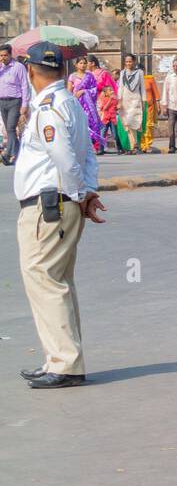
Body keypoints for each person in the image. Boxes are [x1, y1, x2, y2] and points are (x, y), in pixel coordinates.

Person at [14, 41, 106, 388]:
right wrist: (88, 192)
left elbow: (66, 159)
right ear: (63, 71)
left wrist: (81, 194)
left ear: (31, 71)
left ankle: (65, 363)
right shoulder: (69, 103)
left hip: (48, 205)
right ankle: (61, 357)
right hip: (62, 202)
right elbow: (88, 155)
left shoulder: (49, 107)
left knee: (45, 280)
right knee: (58, 281)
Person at [67, 55, 105, 154]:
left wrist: (84, 91)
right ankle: (78, 146)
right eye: (81, 63)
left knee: (88, 124)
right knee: (77, 124)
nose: (83, 65)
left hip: (88, 106)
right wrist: (74, 97)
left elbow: (95, 90)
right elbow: (68, 92)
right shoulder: (72, 76)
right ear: (76, 65)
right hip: (76, 104)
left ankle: (90, 146)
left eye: (85, 63)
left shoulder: (90, 76)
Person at [0, 42, 30, 165]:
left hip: (15, 101)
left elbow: (24, 86)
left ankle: (8, 154)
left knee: (11, 128)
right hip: (2, 101)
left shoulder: (18, 67)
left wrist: (25, 104)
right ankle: (19, 153)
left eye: (5, 55)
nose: (2, 58)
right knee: (8, 129)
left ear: (10, 55)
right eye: (0, 55)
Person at [117, 54, 145, 153]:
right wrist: (119, 100)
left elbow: (142, 88)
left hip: (136, 100)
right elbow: (120, 87)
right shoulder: (122, 73)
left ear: (134, 62)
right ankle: (133, 145)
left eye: (130, 61)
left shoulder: (139, 73)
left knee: (135, 123)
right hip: (125, 101)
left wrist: (144, 101)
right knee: (127, 123)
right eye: (127, 61)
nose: (128, 63)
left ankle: (134, 145)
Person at [141, 69, 162, 153]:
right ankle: (142, 145)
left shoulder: (149, 79)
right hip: (139, 107)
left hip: (149, 107)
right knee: (141, 126)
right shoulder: (135, 80)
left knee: (148, 126)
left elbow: (156, 92)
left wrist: (158, 105)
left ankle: (148, 144)